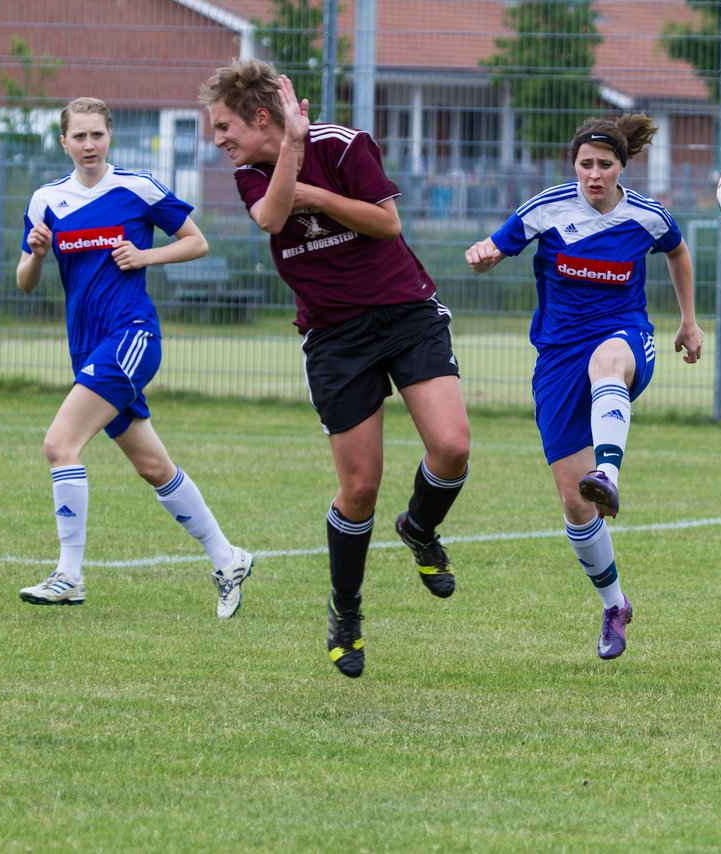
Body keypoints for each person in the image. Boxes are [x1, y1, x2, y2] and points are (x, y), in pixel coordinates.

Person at [200, 59, 471, 679]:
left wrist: (318, 192)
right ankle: (345, 611)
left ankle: (419, 528)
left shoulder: (344, 145)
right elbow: (271, 217)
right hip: (334, 338)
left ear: (258, 115)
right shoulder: (251, 174)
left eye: (222, 126)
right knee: (360, 488)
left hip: (406, 314)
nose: (217, 139)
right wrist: (290, 149)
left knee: (452, 447)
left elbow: (387, 222)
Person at [464, 114, 703, 661]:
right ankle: (615, 605)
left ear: (622, 167)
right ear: (574, 165)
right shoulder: (547, 207)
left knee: (607, 361)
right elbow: (495, 248)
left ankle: (609, 472)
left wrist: (688, 321)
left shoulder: (647, 215)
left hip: (625, 338)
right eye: (586, 164)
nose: (594, 174)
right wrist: (483, 256)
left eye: (605, 164)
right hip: (556, 360)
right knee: (575, 505)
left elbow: (678, 251)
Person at [16, 97, 254, 617]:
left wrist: (146, 255)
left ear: (109, 136)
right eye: (78, 137)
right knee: (152, 466)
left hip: (131, 337)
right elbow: (25, 282)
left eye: (97, 135)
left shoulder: (137, 187)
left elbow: (197, 242)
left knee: (60, 445)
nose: (89, 145)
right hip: (87, 347)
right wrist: (35, 255)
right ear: (64, 142)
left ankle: (69, 575)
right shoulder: (47, 201)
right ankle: (228, 556)